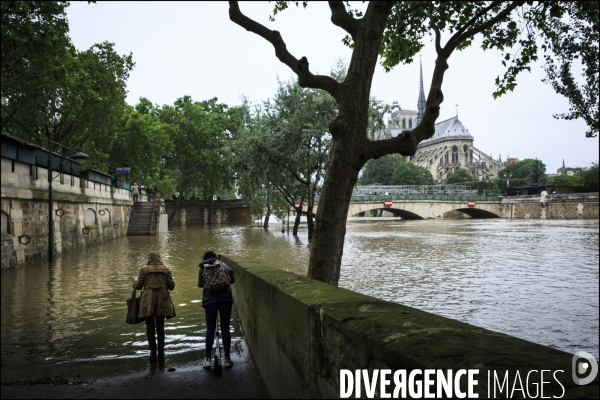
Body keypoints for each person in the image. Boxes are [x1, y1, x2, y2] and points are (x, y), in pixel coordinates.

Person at [131, 252, 176, 362]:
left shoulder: (144, 269)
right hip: (162, 300)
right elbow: (172, 286)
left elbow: (139, 286)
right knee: (160, 327)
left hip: (148, 300)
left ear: (149, 259)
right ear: (159, 258)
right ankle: (161, 352)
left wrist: (134, 280)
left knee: (150, 327)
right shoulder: (166, 269)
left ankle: (153, 353)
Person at [197, 250, 235, 369]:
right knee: (225, 328)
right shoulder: (223, 265)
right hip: (226, 300)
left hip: (210, 301)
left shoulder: (203, 268)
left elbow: (200, 284)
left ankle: (208, 359)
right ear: (215, 257)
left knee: (210, 328)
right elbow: (232, 279)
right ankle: (227, 359)